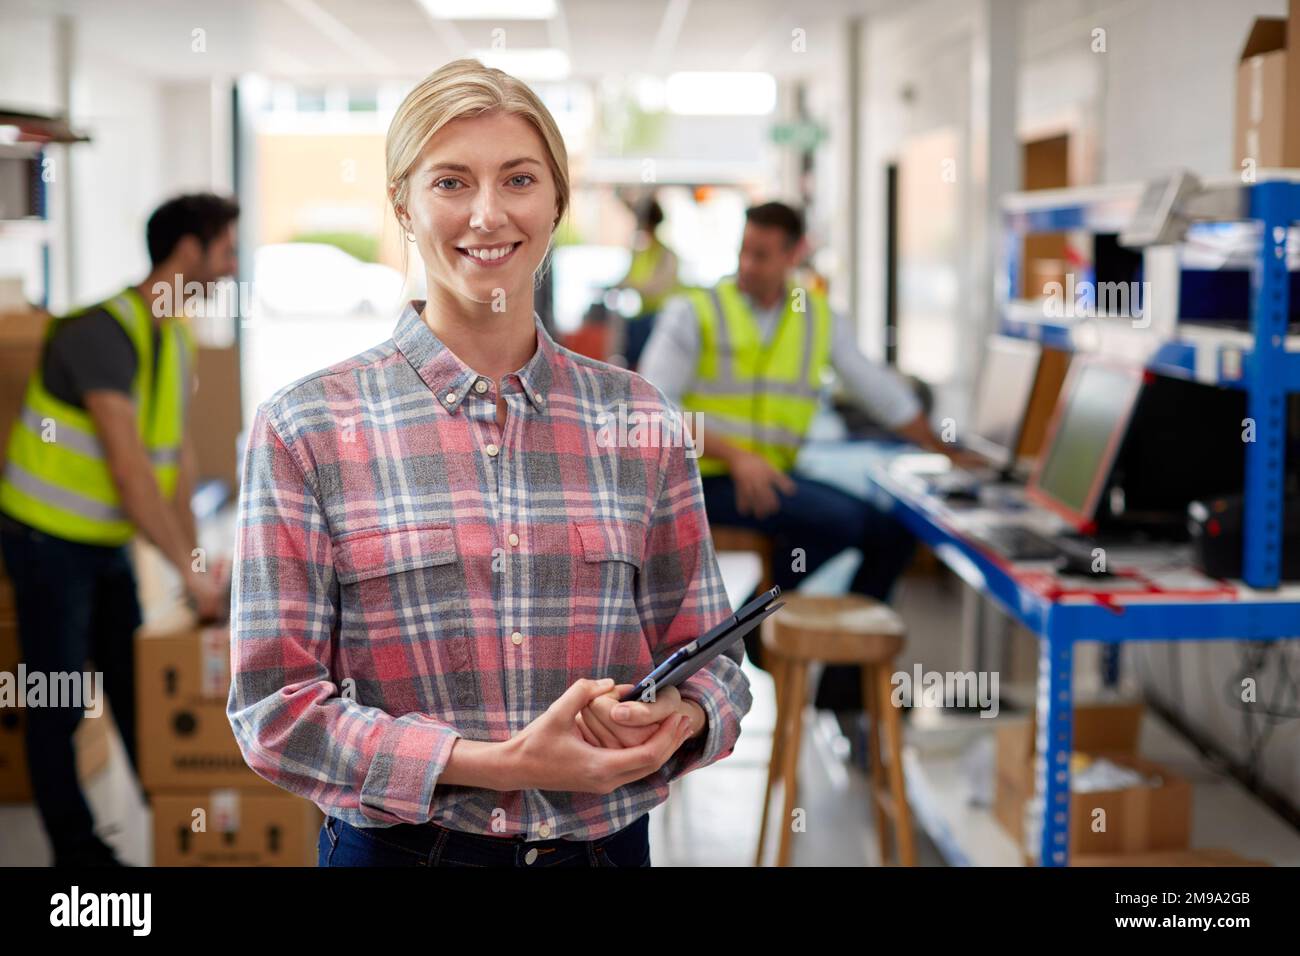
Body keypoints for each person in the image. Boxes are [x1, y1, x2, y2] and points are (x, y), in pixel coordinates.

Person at [226, 59, 752, 869]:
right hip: (407, 850)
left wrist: (679, 717)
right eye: (450, 182)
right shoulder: (306, 428)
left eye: (518, 179)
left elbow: (715, 660)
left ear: (556, 202)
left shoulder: (640, 417)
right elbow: (275, 711)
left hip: (605, 849)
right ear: (402, 203)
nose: (487, 213)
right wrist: (500, 765)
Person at [638, 201, 968, 710]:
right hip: (697, 480)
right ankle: (748, 630)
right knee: (838, 521)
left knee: (892, 529)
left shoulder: (814, 318)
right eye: (745, 251)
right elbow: (652, 406)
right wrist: (738, 455)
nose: (749, 265)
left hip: (770, 479)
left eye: (764, 255)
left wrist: (939, 445)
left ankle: (841, 682)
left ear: (796, 253)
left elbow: (877, 389)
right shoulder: (695, 310)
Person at [0, 192, 236, 866]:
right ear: (187, 250)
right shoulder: (99, 332)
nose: (229, 266)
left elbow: (177, 461)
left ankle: (173, 824)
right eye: (224, 249)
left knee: (137, 686)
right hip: (46, 540)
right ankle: (78, 857)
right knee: (60, 696)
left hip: (100, 543)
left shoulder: (176, 333)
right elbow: (132, 473)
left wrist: (197, 557)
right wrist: (187, 576)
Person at [615, 197, 680, 369]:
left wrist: (631, 286)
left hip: (660, 318)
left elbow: (657, 287)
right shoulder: (641, 252)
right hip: (642, 317)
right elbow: (627, 277)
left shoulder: (666, 255)